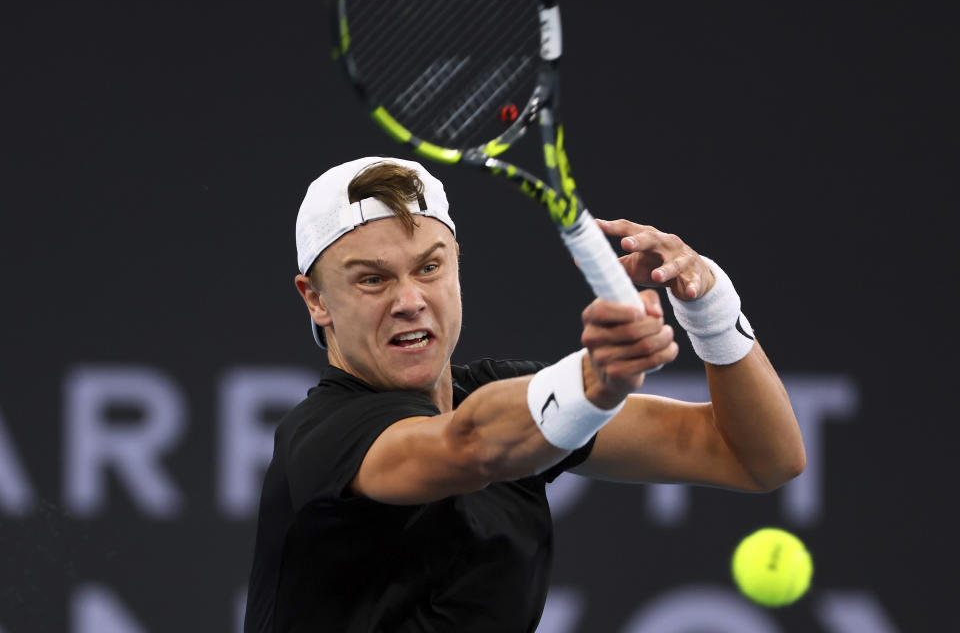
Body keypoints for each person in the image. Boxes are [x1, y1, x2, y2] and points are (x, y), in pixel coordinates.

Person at [243, 156, 805, 632]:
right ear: (315, 300)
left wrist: (709, 307)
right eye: (373, 279)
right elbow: (469, 447)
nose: (410, 299)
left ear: (457, 265)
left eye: (429, 267)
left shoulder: (494, 393)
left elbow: (757, 457)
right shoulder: (321, 437)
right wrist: (592, 384)